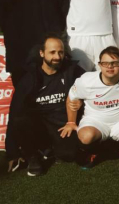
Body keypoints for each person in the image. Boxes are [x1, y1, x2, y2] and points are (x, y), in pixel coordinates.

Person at [5, 34, 84, 176]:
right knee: (20, 118)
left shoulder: (72, 71)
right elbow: (14, 111)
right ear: (42, 53)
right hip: (38, 124)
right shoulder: (30, 77)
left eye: (60, 52)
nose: (57, 56)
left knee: (69, 155)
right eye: (52, 52)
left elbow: (93, 85)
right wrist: (12, 152)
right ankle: (32, 157)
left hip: (61, 125)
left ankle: (48, 149)